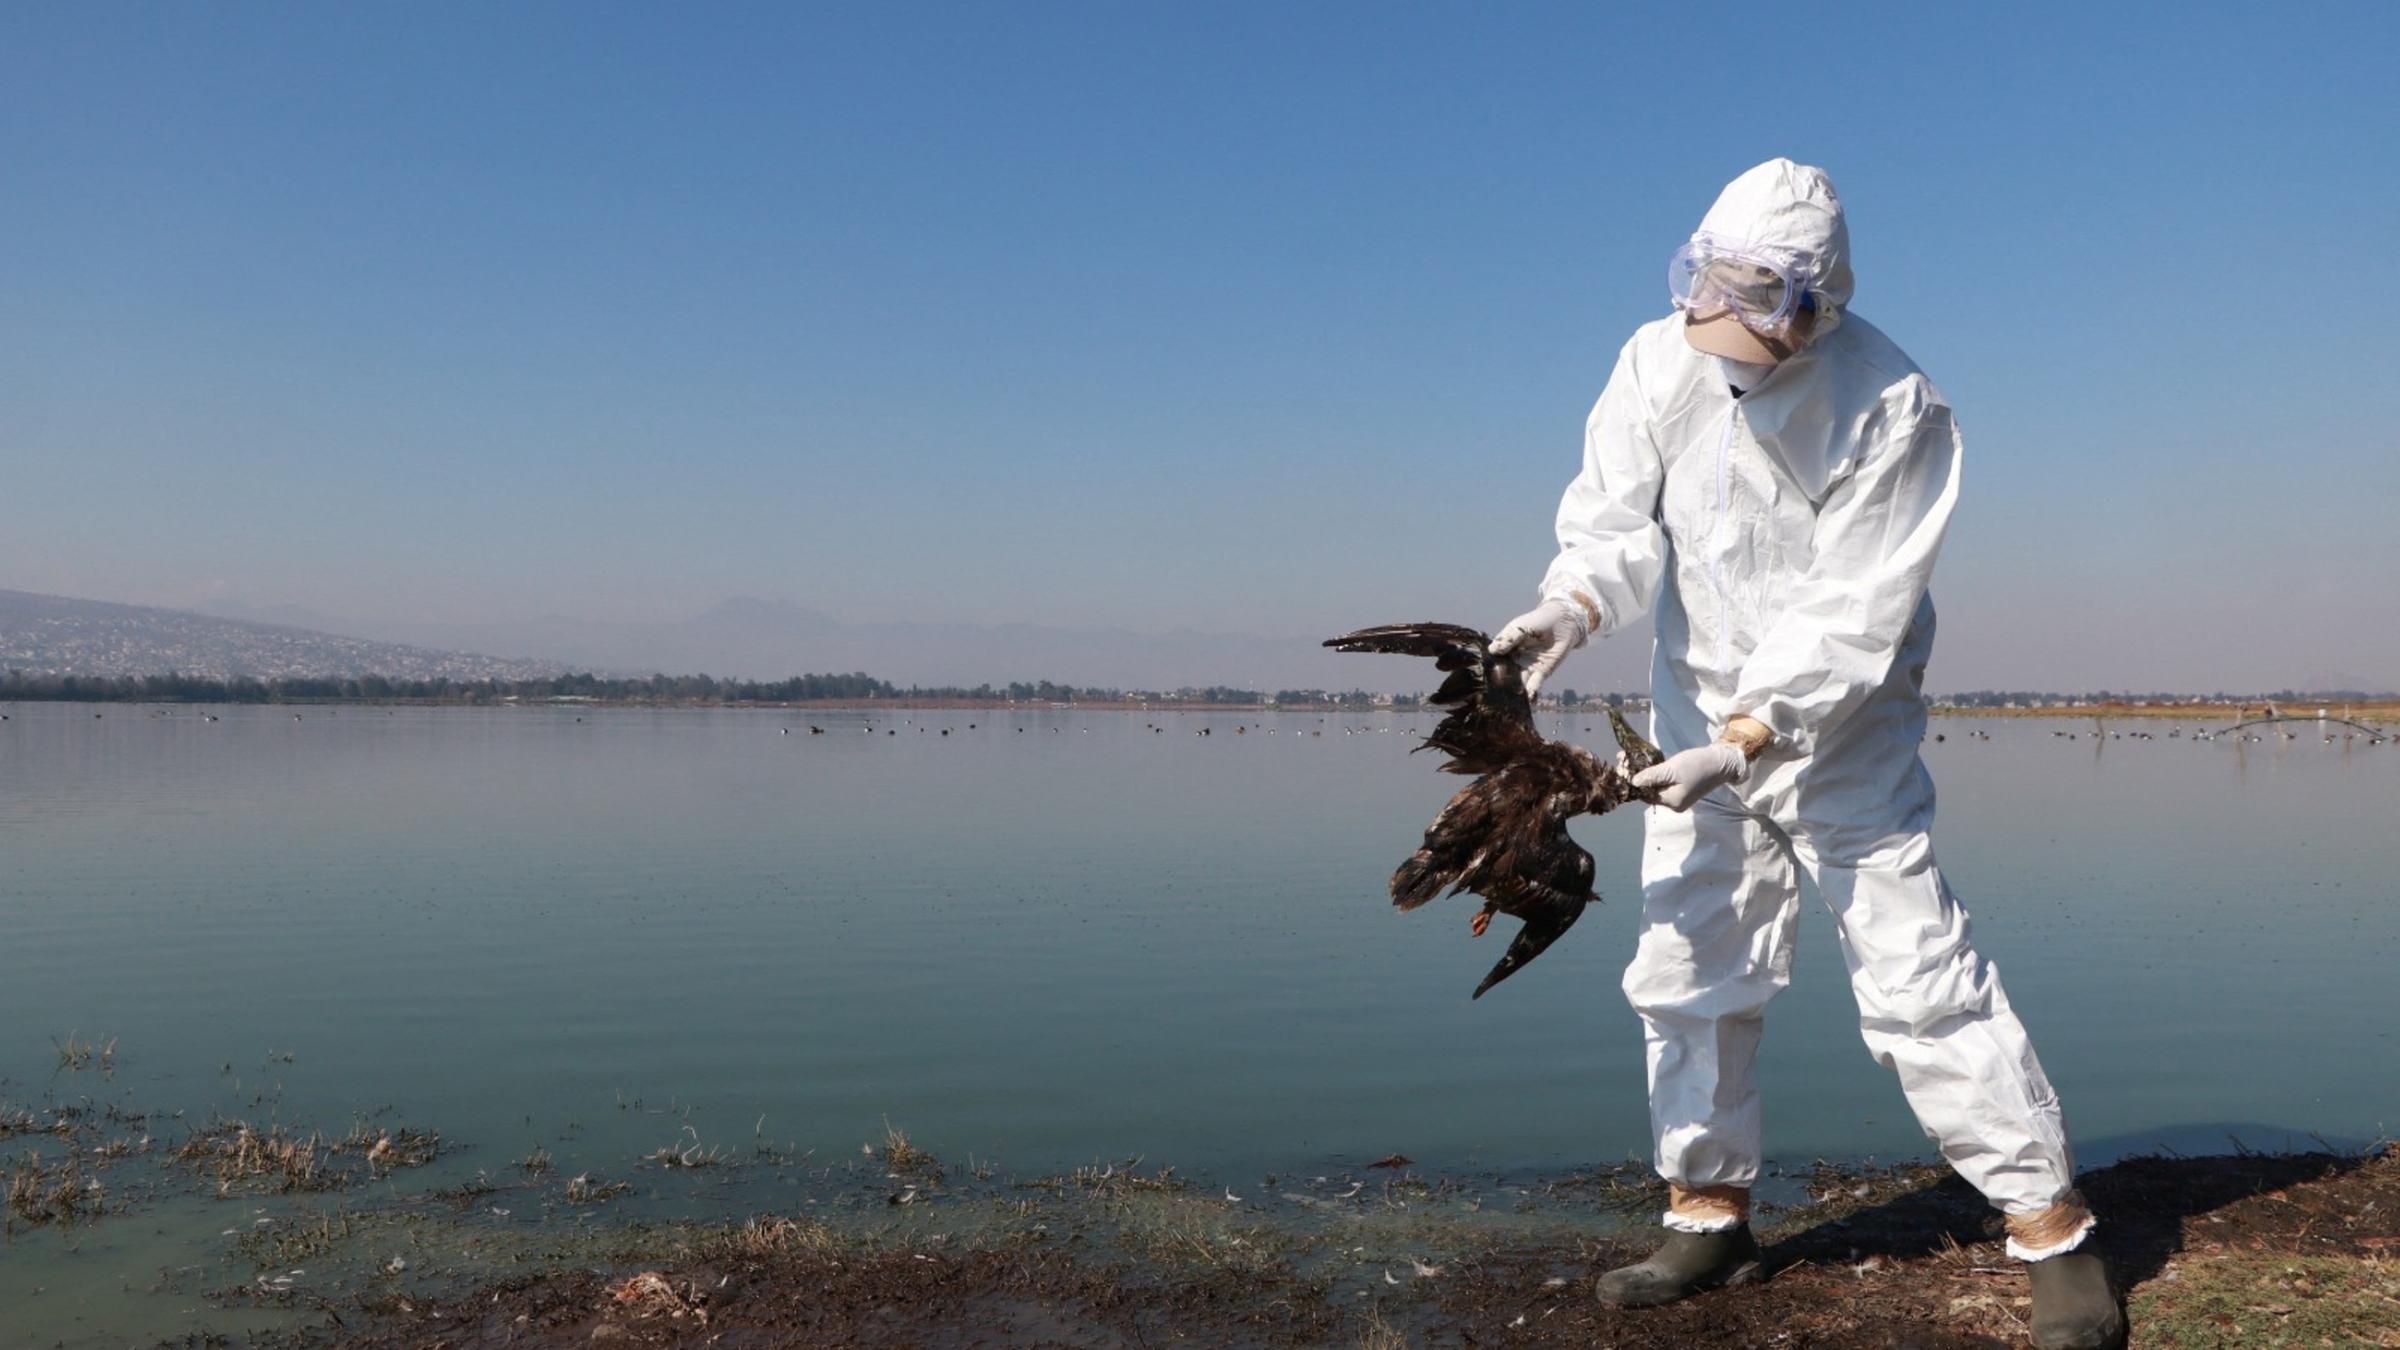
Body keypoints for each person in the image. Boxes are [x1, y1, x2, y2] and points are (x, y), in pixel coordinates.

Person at [1489, 159, 2125, 1350]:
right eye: (1707, 288)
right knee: (1688, 969)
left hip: (1843, 737)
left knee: (1920, 980)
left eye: (1750, 302)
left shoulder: (1895, 404)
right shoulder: (1655, 360)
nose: (1718, 321)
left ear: (1812, 306)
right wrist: (1565, 608)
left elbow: (1855, 611)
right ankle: (1707, 1210)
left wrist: (1752, 737)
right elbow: (1614, 522)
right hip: (1691, 722)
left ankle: (2051, 1230)